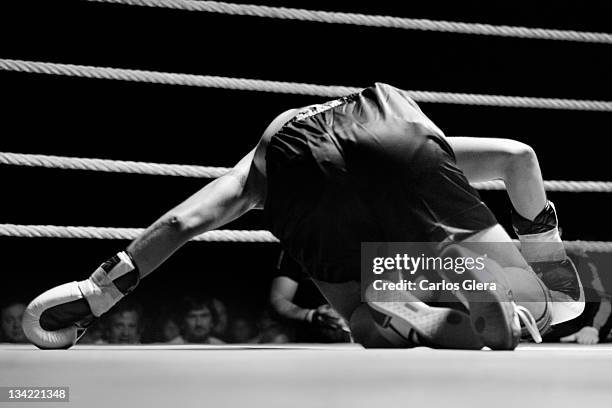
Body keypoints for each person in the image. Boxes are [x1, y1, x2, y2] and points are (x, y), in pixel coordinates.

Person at [22, 83, 583, 350]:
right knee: (537, 305)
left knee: (362, 311)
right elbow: (519, 158)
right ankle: (496, 290)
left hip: (295, 182)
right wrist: (552, 265)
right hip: (393, 126)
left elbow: (178, 225)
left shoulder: (257, 170)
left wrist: (96, 292)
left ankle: (399, 312)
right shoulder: (376, 126)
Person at [270, 250, 351, 343]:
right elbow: (278, 299)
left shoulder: (366, 243)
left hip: (358, 340)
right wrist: (310, 315)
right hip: (309, 340)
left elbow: (371, 301)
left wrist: (350, 318)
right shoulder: (298, 246)